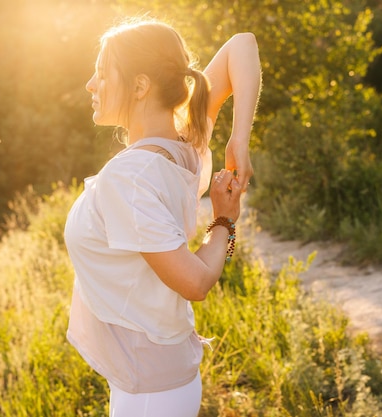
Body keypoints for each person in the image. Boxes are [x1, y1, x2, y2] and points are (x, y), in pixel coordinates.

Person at [63, 18, 261, 417]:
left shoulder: (130, 177)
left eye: (102, 73)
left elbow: (196, 282)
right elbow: (242, 44)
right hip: (153, 379)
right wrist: (239, 138)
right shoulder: (185, 144)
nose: (90, 84)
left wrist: (224, 220)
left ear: (140, 86)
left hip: (151, 392)